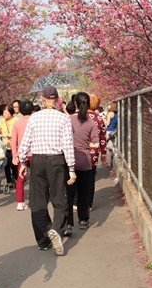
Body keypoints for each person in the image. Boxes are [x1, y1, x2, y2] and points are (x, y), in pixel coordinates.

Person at [18, 86, 76, 256]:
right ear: (57, 99)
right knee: (59, 199)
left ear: (42, 100)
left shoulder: (34, 118)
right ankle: (57, 230)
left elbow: (25, 142)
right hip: (56, 161)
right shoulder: (64, 119)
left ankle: (44, 240)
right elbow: (68, 146)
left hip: (38, 160)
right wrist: (71, 168)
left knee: (37, 201)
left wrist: (22, 162)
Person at [64, 92, 100, 236]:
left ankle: (68, 223)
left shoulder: (67, 120)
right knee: (84, 192)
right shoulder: (91, 122)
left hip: (69, 159)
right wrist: (87, 144)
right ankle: (83, 220)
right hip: (85, 160)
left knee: (69, 193)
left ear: (75, 103)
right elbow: (96, 144)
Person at [11, 100, 34, 211]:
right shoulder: (35, 121)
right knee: (36, 177)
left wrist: (14, 154)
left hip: (22, 153)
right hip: (35, 153)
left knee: (20, 178)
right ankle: (35, 200)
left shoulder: (17, 123)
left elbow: (13, 141)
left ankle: (20, 202)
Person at [87, 94, 108, 209]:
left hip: (80, 152)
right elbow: (103, 137)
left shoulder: (80, 117)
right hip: (94, 152)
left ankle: (78, 200)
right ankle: (89, 203)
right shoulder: (99, 119)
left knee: (79, 177)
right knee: (90, 178)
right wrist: (103, 153)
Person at [0, 104, 18, 190]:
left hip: (14, 146)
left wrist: (11, 135)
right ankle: (9, 182)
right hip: (5, 146)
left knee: (14, 164)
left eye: (6, 112)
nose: (4, 113)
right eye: (3, 112)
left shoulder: (16, 120)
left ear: (10, 112)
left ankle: (17, 180)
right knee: (6, 165)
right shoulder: (2, 120)